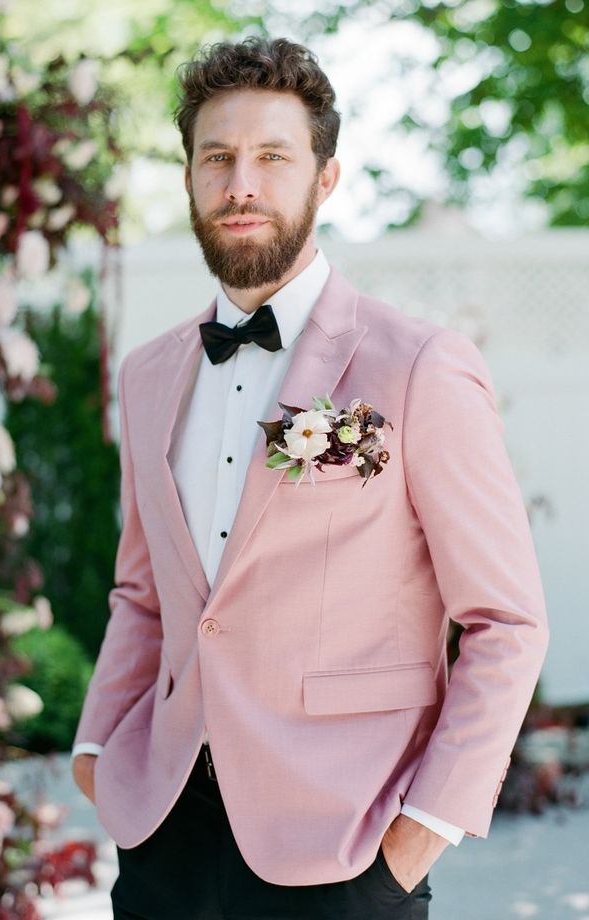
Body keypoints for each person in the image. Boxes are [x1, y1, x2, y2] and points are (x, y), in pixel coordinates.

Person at [71, 37, 548, 919]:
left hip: (346, 842)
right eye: (216, 157)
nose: (240, 183)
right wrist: (97, 747)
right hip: (163, 831)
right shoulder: (146, 374)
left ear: (325, 179)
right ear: (187, 178)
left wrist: (422, 830)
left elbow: (506, 622)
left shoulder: (419, 368)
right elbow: (143, 593)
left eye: (271, 157)